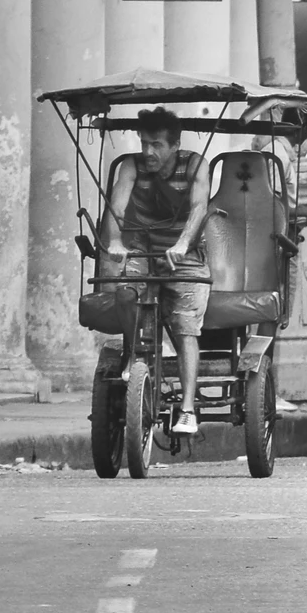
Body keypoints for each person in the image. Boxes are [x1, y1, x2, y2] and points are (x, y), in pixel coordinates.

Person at [98, 107, 213, 434]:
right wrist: (117, 241)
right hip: (142, 246)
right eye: (144, 142)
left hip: (185, 252)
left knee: (184, 325)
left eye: (157, 145)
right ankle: (132, 354)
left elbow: (199, 208)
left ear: (174, 144)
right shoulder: (132, 166)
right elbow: (117, 206)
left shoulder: (195, 164)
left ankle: (188, 409)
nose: (149, 151)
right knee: (124, 290)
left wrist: (183, 242)